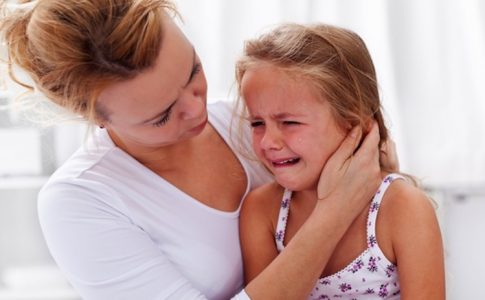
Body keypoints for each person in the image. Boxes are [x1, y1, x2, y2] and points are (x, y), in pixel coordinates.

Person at [1, 1, 392, 299]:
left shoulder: (252, 126)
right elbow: (346, 199)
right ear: (96, 118)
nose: (195, 108)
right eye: (162, 115)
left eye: (193, 72)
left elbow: (374, 195)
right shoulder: (82, 202)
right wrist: (335, 212)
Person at [236, 23, 445, 299]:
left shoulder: (403, 208)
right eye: (257, 123)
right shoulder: (262, 212)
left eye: (289, 122)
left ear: (352, 122)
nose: (268, 142)